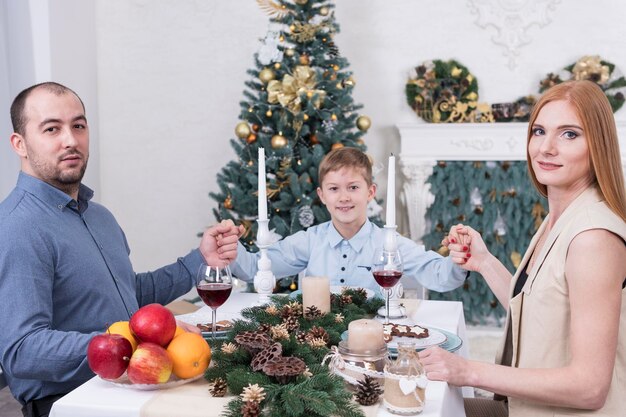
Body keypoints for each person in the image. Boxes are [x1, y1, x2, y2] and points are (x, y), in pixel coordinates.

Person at [0, 82, 239, 417]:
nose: (70, 140)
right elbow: (22, 351)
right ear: (20, 144)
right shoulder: (16, 228)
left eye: (78, 126)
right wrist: (132, 343)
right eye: (52, 128)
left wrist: (199, 261)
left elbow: (128, 294)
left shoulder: (98, 217)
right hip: (72, 403)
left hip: (130, 385)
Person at [419, 80, 626, 417]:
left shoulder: (593, 239)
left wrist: (467, 371)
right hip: (522, 408)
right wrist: (484, 262)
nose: (546, 148)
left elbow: (590, 388)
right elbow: (539, 310)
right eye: (539, 131)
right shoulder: (560, 218)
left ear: (598, 145)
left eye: (569, 134)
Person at [229, 146, 468, 293]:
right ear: (322, 196)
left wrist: (458, 260)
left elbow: (440, 275)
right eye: (334, 189)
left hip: (372, 343)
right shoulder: (310, 241)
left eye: (353, 187)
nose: (344, 197)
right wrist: (229, 248)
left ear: (370, 192)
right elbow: (254, 268)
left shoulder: (389, 243)